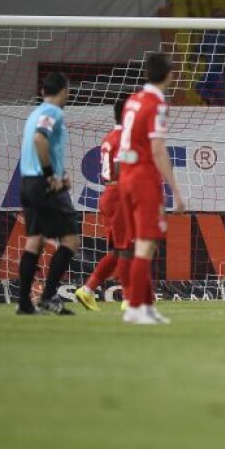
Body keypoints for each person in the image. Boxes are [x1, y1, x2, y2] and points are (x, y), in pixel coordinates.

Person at [118, 51, 186, 325]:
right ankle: (135, 308)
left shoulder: (132, 100)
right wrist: (176, 191)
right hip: (144, 178)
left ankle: (146, 306)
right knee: (146, 246)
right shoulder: (157, 103)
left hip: (126, 177)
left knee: (141, 245)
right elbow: (157, 149)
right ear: (169, 75)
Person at [16, 72, 80, 316]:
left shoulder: (34, 113)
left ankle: (24, 303)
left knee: (35, 240)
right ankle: (48, 296)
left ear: (42, 92)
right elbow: (39, 139)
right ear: (65, 90)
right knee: (71, 240)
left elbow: (39, 141)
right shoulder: (53, 112)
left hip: (28, 182)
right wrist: (51, 174)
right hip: (44, 184)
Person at [74, 97, 134, 312]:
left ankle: (87, 290)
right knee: (127, 248)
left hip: (110, 193)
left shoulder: (111, 136)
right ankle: (129, 299)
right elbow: (119, 168)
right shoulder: (125, 138)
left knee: (121, 250)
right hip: (119, 194)